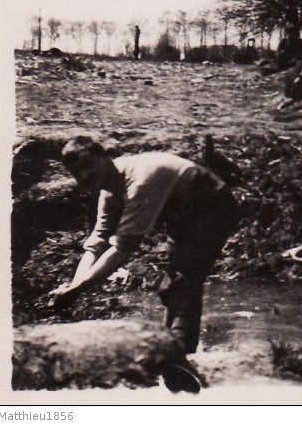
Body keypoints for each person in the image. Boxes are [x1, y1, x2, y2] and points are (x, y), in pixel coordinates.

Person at [50, 137, 240, 361]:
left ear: (105, 157)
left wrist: (77, 291)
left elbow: (123, 248)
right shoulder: (109, 191)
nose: (83, 176)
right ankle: (175, 349)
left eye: (88, 166)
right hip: (182, 215)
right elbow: (98, 241)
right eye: (75, 172)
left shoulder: (139, 181)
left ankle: (180, 356)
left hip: (214, 207)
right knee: (173, 287)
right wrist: (74, 286)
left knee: (182, 281)